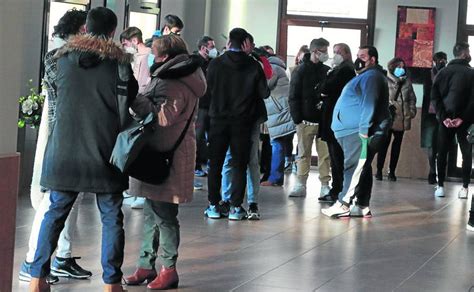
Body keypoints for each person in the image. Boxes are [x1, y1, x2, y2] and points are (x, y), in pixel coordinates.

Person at [29, 7, 138, 292]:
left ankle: (37, 278)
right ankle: (111, 283)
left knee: (55, 212)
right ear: (114, 32)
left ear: (85, 28)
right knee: (112, 216)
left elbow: (53, 100)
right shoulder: (121, 65)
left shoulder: (57, 60)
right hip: (106, 150)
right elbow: (129, 103)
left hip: (64, 149)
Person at [124, 35, 206, 290]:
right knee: (153, 213)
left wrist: (137, 99)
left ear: (166, 57)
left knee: (165, 215)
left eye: (156, 54)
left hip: (165, 155)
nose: (152, 58)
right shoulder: (186, 77)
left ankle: (168, 269)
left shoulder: (173, 82)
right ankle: (146, 265)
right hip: (168, 153)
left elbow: (163, 117)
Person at [21, 9, 91, 286]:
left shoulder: (68, 55)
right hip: (61, 134)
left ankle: (61, 256)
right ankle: (35, 261)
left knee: (69, 200)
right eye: (84, 29)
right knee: (53, 201)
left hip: (69, 134)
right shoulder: (58, 56)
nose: (87, 35)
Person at [204, 28, 270, 220]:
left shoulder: (215, 64)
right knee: (240, 164)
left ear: (229, 43)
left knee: (215, 164)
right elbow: (264, 92)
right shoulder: (253, 65)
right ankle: (235, 207)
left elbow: (206, 93)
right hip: (243, 122)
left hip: (218, 120)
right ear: (245, 44)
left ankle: (214, 206)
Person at [322, 45, 390, 218]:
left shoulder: (372, 76)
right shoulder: (366, 76)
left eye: (363, 56)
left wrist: (364, 129)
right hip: (352, 131)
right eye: (358, 55)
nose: (359, 59)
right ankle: (362, 205)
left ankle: (343, 204)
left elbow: (369, 103)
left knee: (353, 168)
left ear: (372, 59)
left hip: (358, 132)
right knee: (362, 168)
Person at [288, 38, 332, 199]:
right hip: (304, 121)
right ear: (315, 52)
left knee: (325, 155)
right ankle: (300, 184)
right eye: (324, 51)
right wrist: (297, 118)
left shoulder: (327, 70)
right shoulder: (300, 71)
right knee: (303, 154)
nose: (326, 55)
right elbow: (293, 96)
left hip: (323, 121)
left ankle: (325, 185)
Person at [431, 42, 474, 199]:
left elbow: (435, 96)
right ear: (464, 54)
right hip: (466, 121)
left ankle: (440, 186)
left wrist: (444, 117)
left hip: (446, 121)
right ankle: (464, 188)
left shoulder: (443, 72)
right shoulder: (471, 73)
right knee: (467, 153)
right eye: (468, 51)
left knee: (442, 152)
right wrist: (463, 118)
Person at [318, 43, 356, 202]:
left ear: (347, 53)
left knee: (337, 156)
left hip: (337, 118)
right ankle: (337, 188)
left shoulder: (345, 70)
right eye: (334, 52)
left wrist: (326, 81)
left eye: (338, 52)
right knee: (335, 156)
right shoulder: (337, 70)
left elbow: (326, 88)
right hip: (332, 117)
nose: (335, 55)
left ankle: (338, 190)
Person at [120, 26, 152, 209]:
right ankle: (132, 189)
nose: (124, 47)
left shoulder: (149, 55)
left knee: (140, 146)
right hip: (134, 104)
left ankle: (141, 191)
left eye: (125, 43)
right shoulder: (132, 58)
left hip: (143, 104)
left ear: (134, 40)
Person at [376, 57, 417, 181]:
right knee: (384, 144)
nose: (401, 69)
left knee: (397, 146)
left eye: (403, 67)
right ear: (392, 67)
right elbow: (384, 98)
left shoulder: (407, 82)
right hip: (389, 117)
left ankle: (392, 171)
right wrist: (396, 84)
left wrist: (411, 112)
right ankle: (379, 170)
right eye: (399, 67)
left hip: (402, 118)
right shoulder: (385, 79)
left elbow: (412, 99)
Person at [260, 49, 296, 187]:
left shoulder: (273, 68)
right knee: (278, 144)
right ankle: (275, 176)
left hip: (279, 111)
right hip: (280, 110)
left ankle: (275, 178)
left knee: (277, 144)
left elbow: (265, 85)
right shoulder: (278, 66)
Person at [421, 52, 447, 185]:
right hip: (430, 115)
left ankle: (441, 173)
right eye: (439, 60)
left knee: (443, 146)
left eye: (444, 60)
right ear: (434, 61)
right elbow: (427, 92)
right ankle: (432, 172)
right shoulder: (428, 74)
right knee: (431, 146)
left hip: (444, 114)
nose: (442, 62)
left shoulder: (449, 73)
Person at [194, 36, 217, 178]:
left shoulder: (213, 63)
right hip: (200, 105)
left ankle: (211, 165)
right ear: (203, 48)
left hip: (212, 105)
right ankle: (195, 165)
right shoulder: (195, 62)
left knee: (213, 137)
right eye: (212, 46)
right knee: (198, 136)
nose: (214, 49)